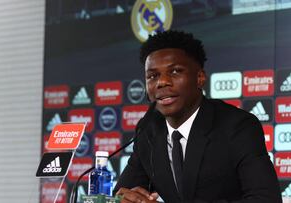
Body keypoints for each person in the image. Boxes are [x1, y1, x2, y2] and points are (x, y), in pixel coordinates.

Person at [114, 30, 282, 203]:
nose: (161, 82)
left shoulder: (237, 126)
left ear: (200, 78)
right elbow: (120, 193)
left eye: (175, 72)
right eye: (152, 76)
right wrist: (125, 199)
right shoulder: (149, 128)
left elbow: (266, 199)